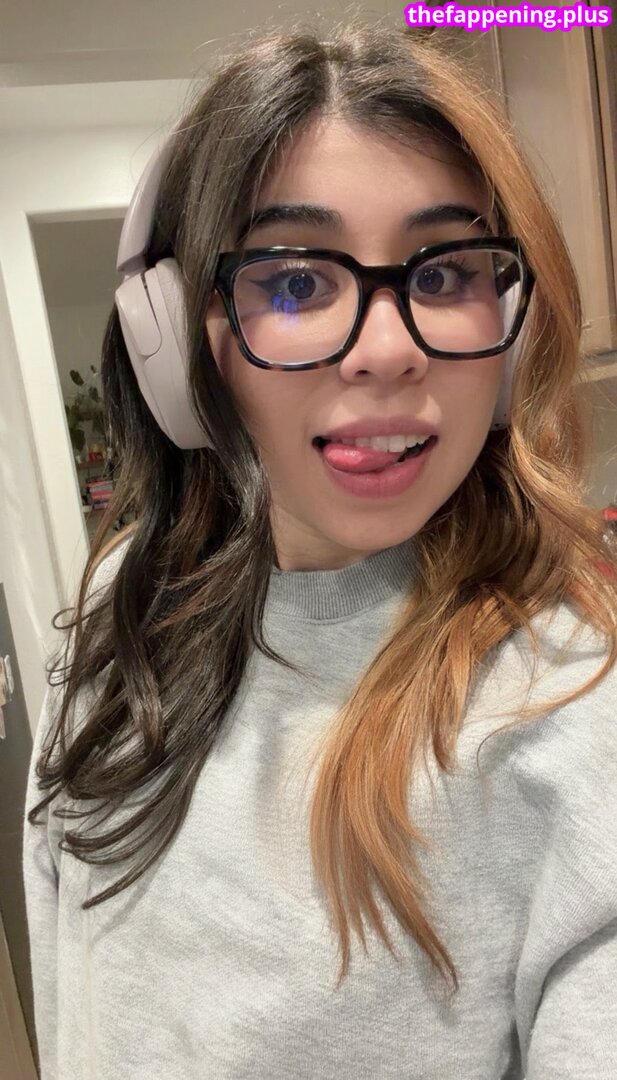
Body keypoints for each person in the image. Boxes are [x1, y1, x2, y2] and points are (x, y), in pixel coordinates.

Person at [22, 21, 617, 1080]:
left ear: (513, 323)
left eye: (445, 273)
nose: (387, 351)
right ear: (179, 339)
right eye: (294, 282)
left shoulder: (568, 709)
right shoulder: (124, 609)